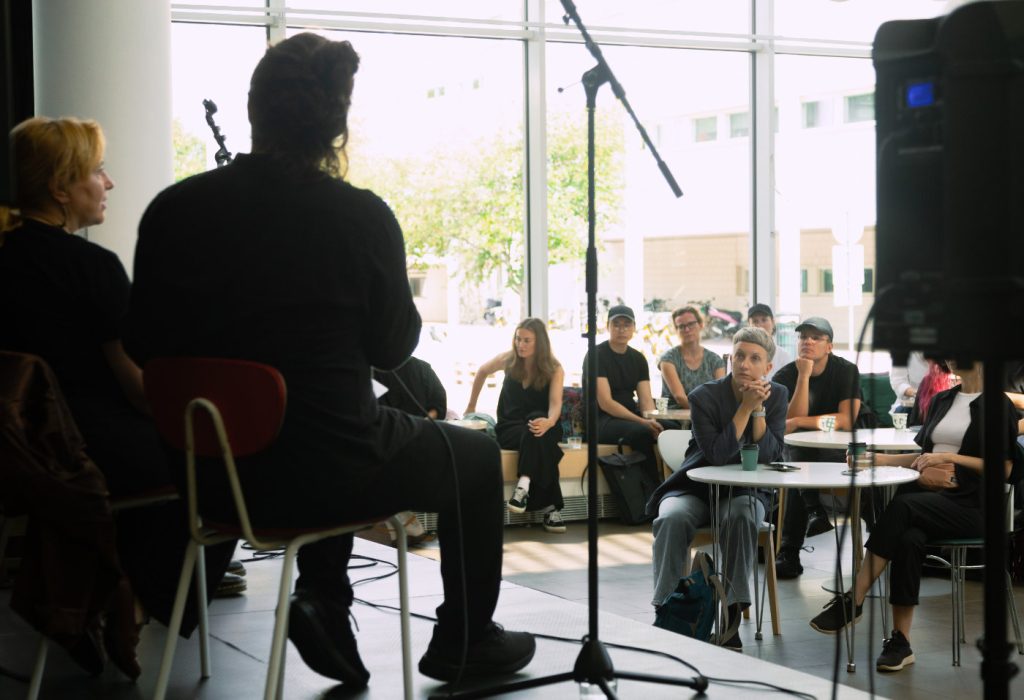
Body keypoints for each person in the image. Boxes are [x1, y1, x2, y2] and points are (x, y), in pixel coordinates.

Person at [123, 33, 534, 687]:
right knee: (473, 457)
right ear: (335, 126)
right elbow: (393, 348)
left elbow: (143, 344)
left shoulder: (172, 211)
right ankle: (465, 641)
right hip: (328, 471)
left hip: (213, 478)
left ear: (253, 111)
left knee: (328, 407)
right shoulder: (359, 217)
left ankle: (328, 601)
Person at [0, 116, 232, 679]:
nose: (110, 183)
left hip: (19, 457)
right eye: (98, 171)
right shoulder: (91, 268)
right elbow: (137, 387)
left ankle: (103, 580)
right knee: (222, 468)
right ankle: (134, 594)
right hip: (84, 454)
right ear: (60, 188)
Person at [808, 359, 1022, 672]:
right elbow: (922, 457)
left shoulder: (998, 405)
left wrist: (950, 457)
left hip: (974, 507)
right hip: (930, 500)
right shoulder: (942, 400)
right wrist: (876, 459)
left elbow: (1006, 469)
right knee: (908, 537)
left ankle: (853, 599)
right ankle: (901, 642)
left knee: (902, 507)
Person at [648, 327, 787, 651]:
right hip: (695, 486)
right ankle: (667, 610)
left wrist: (759, 409)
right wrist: (744, 408)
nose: (744, 364)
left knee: (741, 516)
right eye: (739, 356)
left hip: (745, 491)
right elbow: (718, 455)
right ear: (730, 357)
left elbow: (769, 454)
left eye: (755, 359)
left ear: (767, 367)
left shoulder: (778, 394)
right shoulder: (704, 397)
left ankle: (732, 614)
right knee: (670, 518)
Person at [772, 316, 876, 579]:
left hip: (842, 445)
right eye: (803, 337)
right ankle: (790, 551)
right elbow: (787, 425)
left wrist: (800, 422)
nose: (807, 341)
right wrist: (803, 377)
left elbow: (844, 420)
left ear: (829, 346)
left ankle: (878, 546)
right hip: (803, 451)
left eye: (816, 337)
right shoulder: (786, 375)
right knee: (794, 465)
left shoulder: (845, 370)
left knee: (866, 482)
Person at [465, 318, 567, 532]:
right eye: (518, 339)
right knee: (541, 440)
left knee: (537, 425)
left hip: (545, 424)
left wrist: (549, 422)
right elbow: (482, 372)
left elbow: (555, 405)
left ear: (540, 343)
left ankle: (523, 486)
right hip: (510, 426)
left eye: (527, 340)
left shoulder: (554, 368)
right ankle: (551, 509)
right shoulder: (508, 359)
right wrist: (471, 405)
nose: (521, 344)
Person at [582, 305, 663, 482]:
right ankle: (652, 492)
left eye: (627, 325)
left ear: (634, 328)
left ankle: (678, 487)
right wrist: (644, 422)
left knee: (671, 428)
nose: (621, 329)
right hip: (601, 420)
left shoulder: (638, 358)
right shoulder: (596, 355)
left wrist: (653, 422)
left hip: (628, 418)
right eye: (616, 324)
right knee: (642, 432)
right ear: (607, 327)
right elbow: (606, 403)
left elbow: (646, 400)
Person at [658, 305, 726, 412]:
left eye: (691, 324)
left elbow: (720, 395)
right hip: (675, 417)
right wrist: (705, 413)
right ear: (676, 330)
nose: (687, 329)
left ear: (701, 325)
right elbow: (680, 397)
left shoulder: (715, 360)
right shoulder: (668, 359)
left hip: (708, 417)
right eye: (681, 326)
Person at [746, 303, 792, 379]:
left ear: (773, 322)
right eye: (755, 321)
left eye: (764, 320)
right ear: (749, 325)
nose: (760, 325)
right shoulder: (743, 354)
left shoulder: (783, 356)